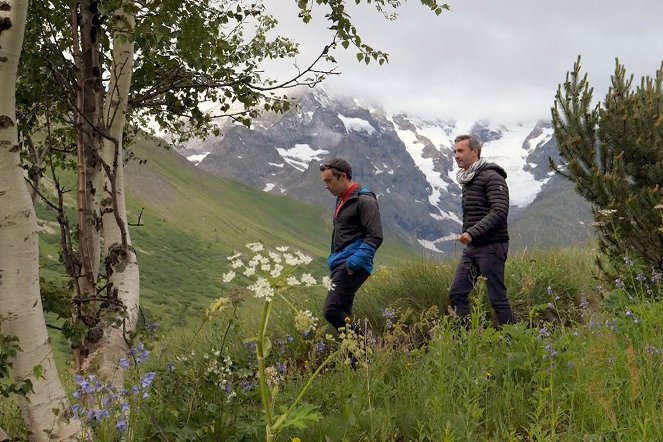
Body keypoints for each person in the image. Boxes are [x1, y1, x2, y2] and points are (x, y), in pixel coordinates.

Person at [449, 135, 514, 327]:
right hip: (472, 248)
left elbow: (500, 210)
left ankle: (514, 342)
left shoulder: (491, 176)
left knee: (498, 299)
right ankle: (466, 341)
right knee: (457, 293)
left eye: (460, 151)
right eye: (455, 151)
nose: (456, 155)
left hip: (492, 246)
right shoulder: (469, 179)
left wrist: (472, 233)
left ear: (474, 152)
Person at [319, 158, 383, 331]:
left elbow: (375, 236)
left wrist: (353, 264)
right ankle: (356, 357)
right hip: (340, 263)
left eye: (329, 181)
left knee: (331, 310)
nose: (326, 186)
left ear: (343, 177)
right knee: (343, 312)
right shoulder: (341, 199)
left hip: (352, 265)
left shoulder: (365, 200)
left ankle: (365, 345)